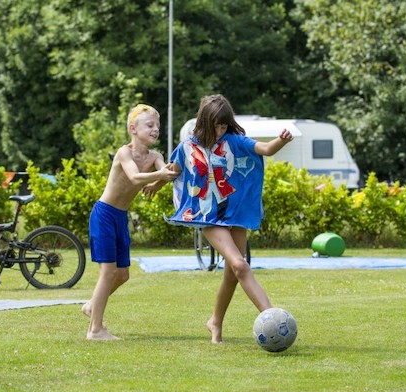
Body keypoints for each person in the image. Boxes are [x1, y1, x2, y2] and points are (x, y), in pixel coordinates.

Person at [166, 94, 294, 343]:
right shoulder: (187, 147)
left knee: (232, 274)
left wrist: (280, 140)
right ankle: (273, 319)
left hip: (235, 214)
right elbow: (174, 171)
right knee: (240, 265)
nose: (220, 130)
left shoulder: (234, 141)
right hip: (206, 215)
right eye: (216, 125)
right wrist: (154, 181)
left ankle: (215, 322)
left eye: (224, 125)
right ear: (204, 121)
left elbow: (265, 149)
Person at [84, 104, 180, 341]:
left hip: (120, 216)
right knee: (108, 272)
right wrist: (158, 176)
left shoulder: (155, 156)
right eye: (150, 125)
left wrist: (160, 181)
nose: (155, 129)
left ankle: (91, 306)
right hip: (104, 214)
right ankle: (95, 330)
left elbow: (166, 173)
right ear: (133, 129)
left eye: (157, 125)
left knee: (123, 275)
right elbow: (134, 176)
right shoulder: (123, 153)